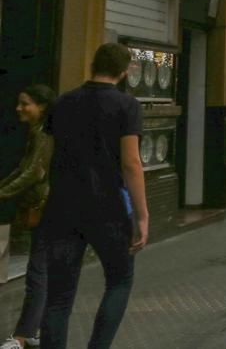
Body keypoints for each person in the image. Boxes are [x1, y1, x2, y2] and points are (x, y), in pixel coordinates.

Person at [40, 43, 149, 349]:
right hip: (108, 209)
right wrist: (142, 215)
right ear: (124, 71)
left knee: (59, 296)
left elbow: (48, 156)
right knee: (119, 280)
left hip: (62, 208)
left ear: (93, 66)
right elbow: (131, 163)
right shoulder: (127, 106)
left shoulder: (62, 103)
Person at [0, 86, 56, 349]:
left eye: (25, 104)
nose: (19, 108)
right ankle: (34, 330)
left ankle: (23, 336)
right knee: (41, 272)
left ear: (41, 106)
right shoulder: (38, 132)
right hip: (45, 208)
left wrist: (3, 193)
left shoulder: (45, 134)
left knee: (37, 273)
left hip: (47, 210)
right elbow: (25, 169)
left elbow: (33, 173)